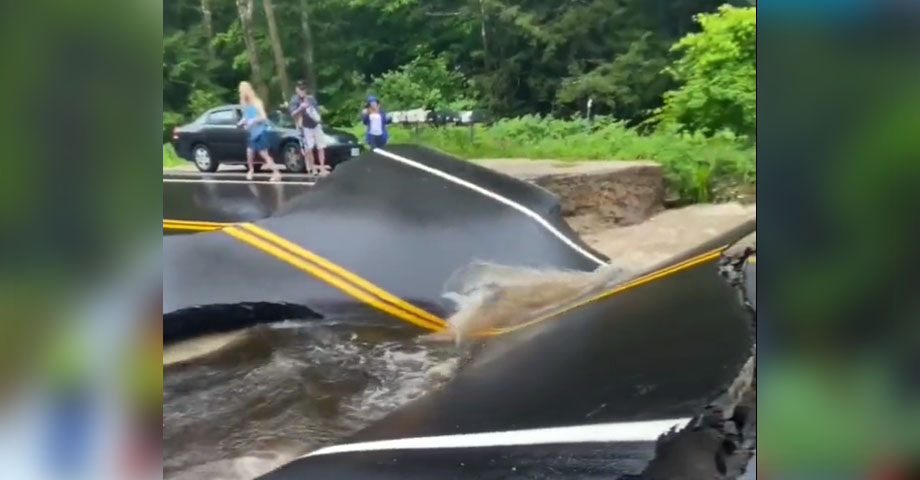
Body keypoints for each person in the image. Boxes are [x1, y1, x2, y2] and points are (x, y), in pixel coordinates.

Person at [238, 81, 282, 182]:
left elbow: (263, 117)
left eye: (243, 91)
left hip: (260, 132)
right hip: (252, 133)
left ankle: (276, 173)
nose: (242, 94)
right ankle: (251, 170)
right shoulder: (246, 104)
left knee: (264, 154)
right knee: (249, 153)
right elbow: (248, 116)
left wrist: (253, 121)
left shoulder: (256, 102)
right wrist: (242, 122)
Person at [289, 82, 327, 174]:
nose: (302, 92)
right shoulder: (295, 100)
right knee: (309, 149)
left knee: (321, 147)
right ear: (297, 90)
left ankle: (322, 168)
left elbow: (316, 111)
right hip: (305, 127)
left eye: (303, 89)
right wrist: (300, 108)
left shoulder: (311, 99)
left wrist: (316, 115)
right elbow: (292, 114)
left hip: (315, 125)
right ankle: (313, 168)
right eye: (300, 89)